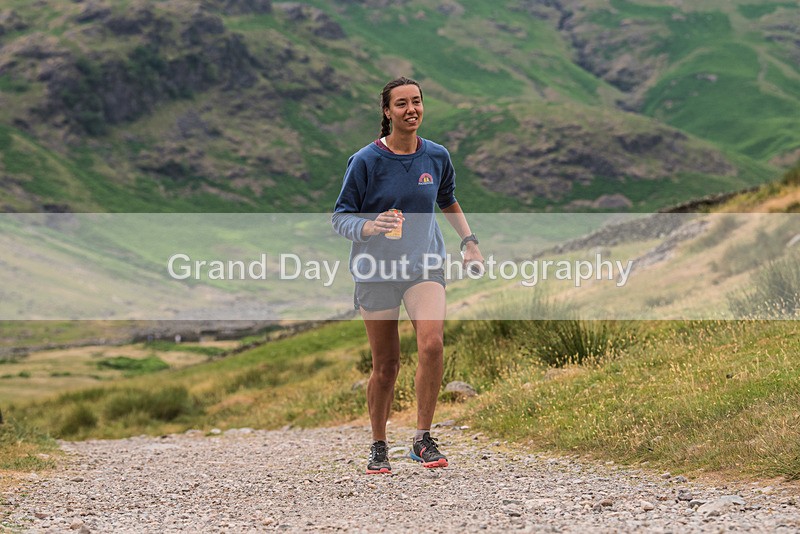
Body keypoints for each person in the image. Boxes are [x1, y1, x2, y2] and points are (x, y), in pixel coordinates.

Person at [332, 76, 484, 474]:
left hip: (423, 265)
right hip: (376, 271)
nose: (411, 109)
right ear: (387, 111)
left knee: (432, 344)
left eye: (416, 101)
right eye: (401, 103)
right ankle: (378, 444)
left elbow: (448, 199)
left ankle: (422, 438)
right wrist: (370, 226)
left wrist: (469, 242)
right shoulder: (365, 160)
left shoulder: (436, 155)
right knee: (386, 366)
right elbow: (341, 217)